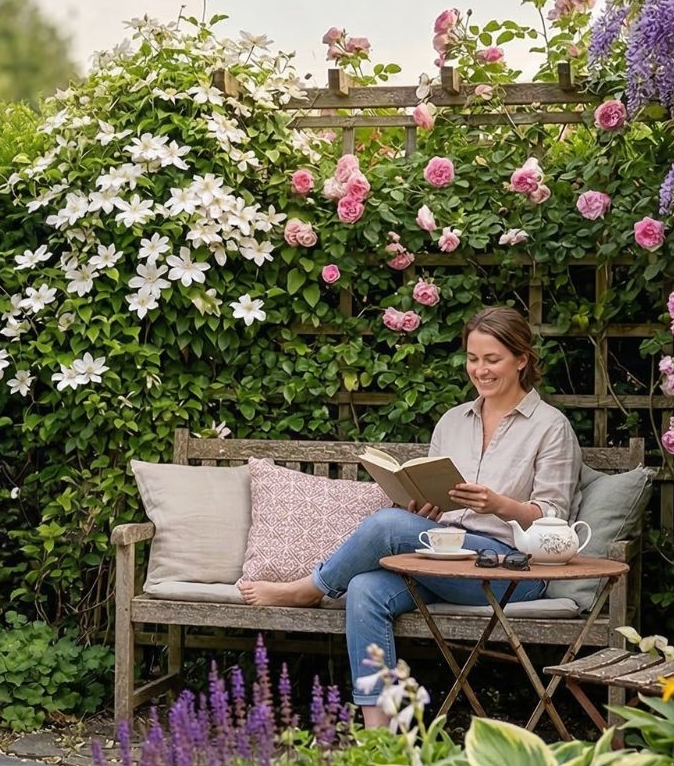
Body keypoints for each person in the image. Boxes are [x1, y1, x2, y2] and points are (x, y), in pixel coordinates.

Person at [236, 305, 581, 727]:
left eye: (493, 360)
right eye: (473, 359)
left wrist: (499, 505)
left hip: (511, 570)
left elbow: (554, 521)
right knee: (365, 588)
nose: (481, 370)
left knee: (387, 525)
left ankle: (312, 587)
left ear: (522, 359)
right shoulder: (453, 421)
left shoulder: (550, 426)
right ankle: (379, 738)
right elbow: (440, 499)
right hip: (448, 555)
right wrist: (424, 504)